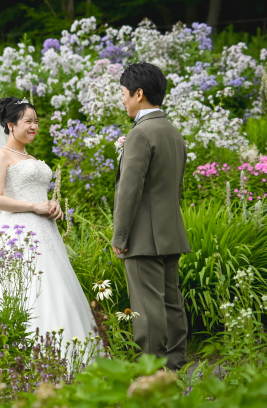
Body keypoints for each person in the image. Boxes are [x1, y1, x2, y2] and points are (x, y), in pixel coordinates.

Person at [0, 96, 97, 356]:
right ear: (10, 125)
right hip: (16, 235)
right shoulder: (1, 157)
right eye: (28, 121)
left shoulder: (30, 157)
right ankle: (10, 350)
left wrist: (53, 206)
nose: (34, 126)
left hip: (45, 233)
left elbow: (37, 196)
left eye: (36, 121)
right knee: (17, 287)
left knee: (54, 287)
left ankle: (66, 350)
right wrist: (35, 207)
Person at [113, 62, 190, 371]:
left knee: (147, 307)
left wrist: (120, 236)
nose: (122, 99)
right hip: (170, 232)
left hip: (143, 238)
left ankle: (151, 371)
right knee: (172, 302)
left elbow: (129, 192)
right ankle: (175, 365)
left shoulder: (141, 134)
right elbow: (176, 187)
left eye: (123, 93)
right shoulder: (173, 133)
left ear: (139, 94)